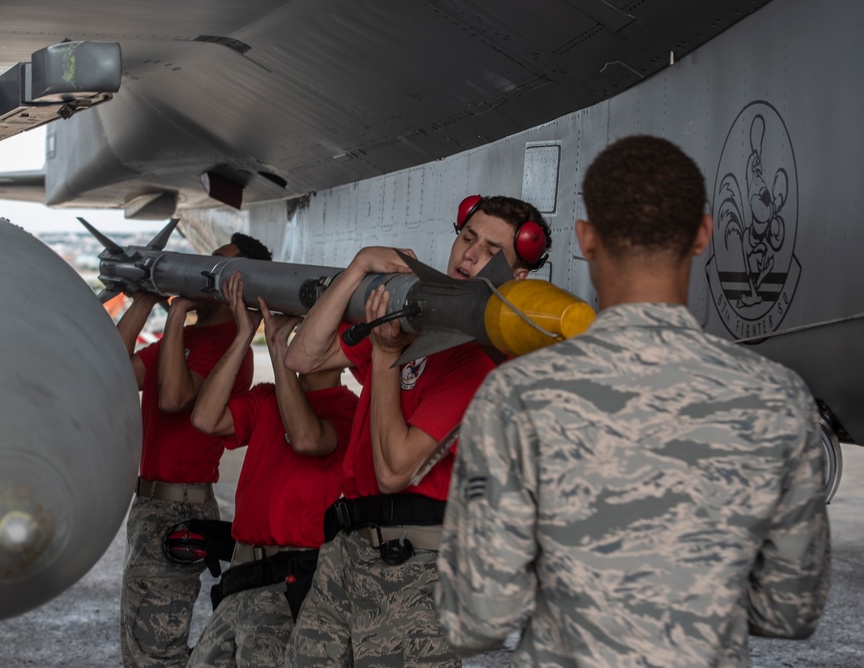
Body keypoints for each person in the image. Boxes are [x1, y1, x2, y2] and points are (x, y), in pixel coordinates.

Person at [437, 136, 831, 666]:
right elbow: (791, 611)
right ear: (702, 235)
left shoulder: (517, 396)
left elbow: (475, 618)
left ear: (587, 238)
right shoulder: (777, 398)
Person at [283, 196, 551, 666]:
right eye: (467, 238)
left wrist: (387, 356)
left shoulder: (485, 362)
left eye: (491, 250)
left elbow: (394, 471)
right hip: (346, 553)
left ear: (519, 275)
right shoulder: (412, 323)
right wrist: (358, 267)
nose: (469, 255)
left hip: (412, 569)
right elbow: (302, 358)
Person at [185, 272, 358, 667]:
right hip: (243, 572)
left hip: (294, 583)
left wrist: (281, 354)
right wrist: (244, 334)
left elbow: (307, 439)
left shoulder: (350, 412)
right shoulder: (267, 399)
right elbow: (205, 419)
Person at [116, 233, 273, 668]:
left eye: (215, 263)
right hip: (149, 506)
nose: (199, 267)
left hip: (179, 511)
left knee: (158, 653)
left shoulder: (226, 344)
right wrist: (146, 300)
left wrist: (177, 313)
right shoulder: (184, 340)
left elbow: (172, 398)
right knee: (137, 648)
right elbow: (112, 366)